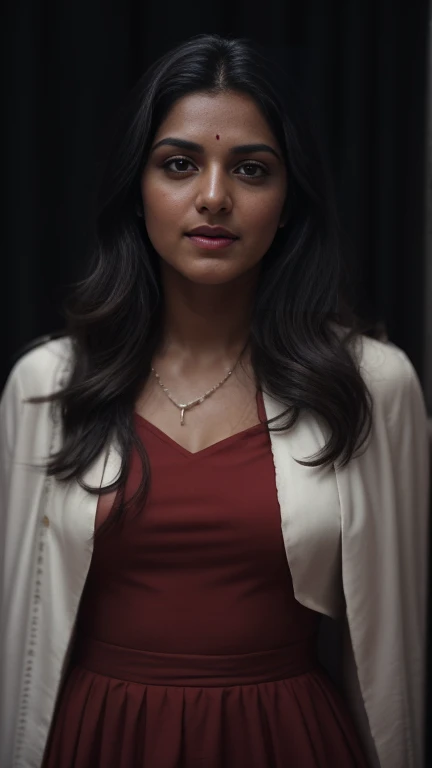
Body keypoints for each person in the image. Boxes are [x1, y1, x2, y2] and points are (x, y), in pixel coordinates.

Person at [0, 33, 429, 768]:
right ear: (137, 190)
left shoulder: (373, 384)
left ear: (290, 199)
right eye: (178, 164)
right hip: (98, 740)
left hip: (289, 740)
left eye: (251, 169)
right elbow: (16, 628)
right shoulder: (46, 384)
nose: (212, 197)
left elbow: (399, 646)